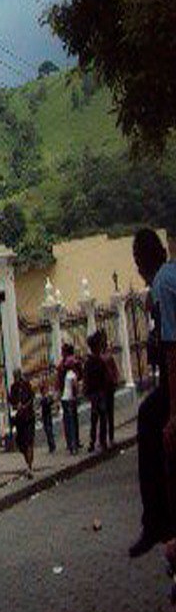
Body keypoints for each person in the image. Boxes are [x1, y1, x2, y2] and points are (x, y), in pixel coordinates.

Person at [128, 228, 176, 558]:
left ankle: (156, 521)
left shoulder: (162, 283)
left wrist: (173, 412)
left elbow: (172, 349)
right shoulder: (167, 278)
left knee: (148, 419)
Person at [84, 330, 110, 452]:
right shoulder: (100, 361)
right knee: (102, 417)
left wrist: (87, 392)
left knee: (95, 418)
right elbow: (106, 377)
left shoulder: (89, 362)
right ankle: (101, 441)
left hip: (94, 394)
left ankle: (93, 442)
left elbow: (86, 379)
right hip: (100, 393)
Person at [9, 366, 36, 478]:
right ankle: (28, 463)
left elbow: (31, 399)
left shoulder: (26, 385)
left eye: (17, 376)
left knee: (29, 441)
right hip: (19, 420)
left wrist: (24, 406)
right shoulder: (13, 388)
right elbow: (11, 401)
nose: (16, 378)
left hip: (28, 417)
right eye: (15, 376)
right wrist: (16, 406)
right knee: (22, 443)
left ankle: (29, 467)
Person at [57, 342, 82, 454]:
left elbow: (59, 380)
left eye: (63, 351)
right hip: (70, 397)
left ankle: (72, 442)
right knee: (73, 419)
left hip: (66, 396)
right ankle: (74, 442)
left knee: (69, 420)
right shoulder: (72, 364)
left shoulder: (63, 365)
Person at [100, 331, 121, 449]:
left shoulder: (104, 357)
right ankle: (109, 438)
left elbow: (114, 371)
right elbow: (115, 371)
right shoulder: (107, 357)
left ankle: (106, 439)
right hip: (107, 388)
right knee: (108, 414)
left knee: (104, 415)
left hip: (105, 389)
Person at [61, 355, 81, 456]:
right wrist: (77, 396)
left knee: (67, 423)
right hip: (70, 400)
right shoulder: (72, 375)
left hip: (64, 399)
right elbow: (75, 387)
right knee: (72, 423)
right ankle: (74, 446)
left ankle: (70, 444)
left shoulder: (66, 374)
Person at [39, 379, 57, 454]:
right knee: (48, 430)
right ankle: (51, 445)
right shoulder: (44, 398)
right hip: (46, 415)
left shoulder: (45, 398)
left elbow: (49, 403)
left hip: (46, 415)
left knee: (48, 430)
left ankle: (52, 445)